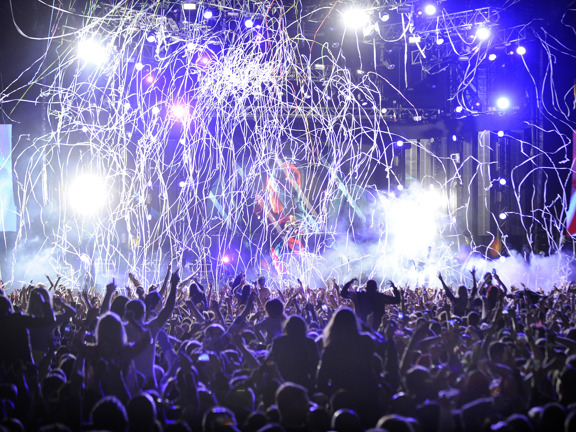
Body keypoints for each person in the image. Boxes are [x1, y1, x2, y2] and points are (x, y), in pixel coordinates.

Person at [267, 315, 319, 389]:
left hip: (282, 381)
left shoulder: (279, 341)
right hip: (304, 381)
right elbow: (315, 364)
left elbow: (269, 360)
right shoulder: (309, 342)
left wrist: (275, 376)